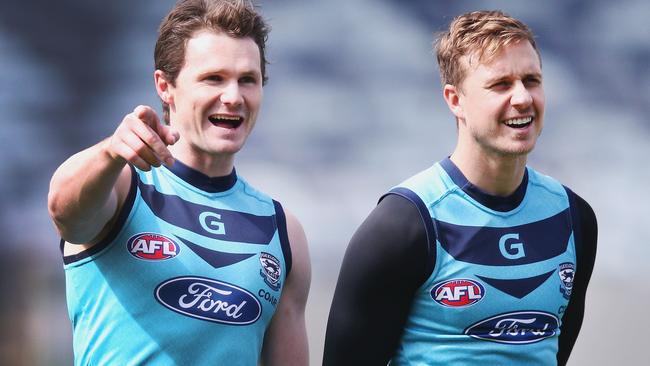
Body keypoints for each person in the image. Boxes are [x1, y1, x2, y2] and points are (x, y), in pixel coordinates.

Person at [323, 10, 597, 366]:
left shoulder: (573, 218)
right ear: (455, 100)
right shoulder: (403, 225)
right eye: (500, 84)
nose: (522, 98)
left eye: (531, 80)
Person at [47, 0, 310, 364]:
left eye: (247, 80)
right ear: (165, 86)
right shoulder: (123, 185)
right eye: (213, 78)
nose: (233, 97)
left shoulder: (283, 232)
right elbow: (65, 211)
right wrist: (110, 153)